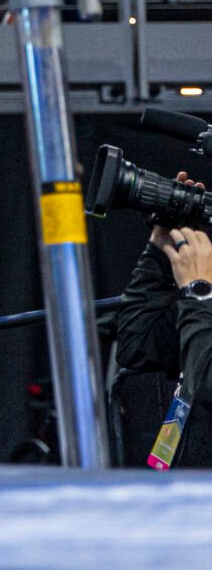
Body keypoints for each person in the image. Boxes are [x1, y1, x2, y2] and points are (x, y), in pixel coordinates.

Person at [115, 178, 212, 469]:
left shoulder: (203, 296)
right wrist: (159, 251)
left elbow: (208, 385)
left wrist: (198, 292)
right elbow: (136, 345)